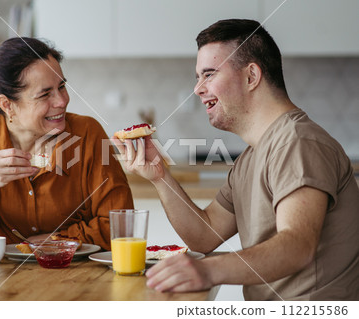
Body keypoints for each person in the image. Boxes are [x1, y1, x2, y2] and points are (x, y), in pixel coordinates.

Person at [111, 19, 359, 300]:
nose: (198, 89)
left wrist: (209, 270)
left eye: (209, 74)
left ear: (251, 76)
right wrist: (160, 176)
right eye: (197, 77)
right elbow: (205, 236)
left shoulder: (298, 142)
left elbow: (297, 246)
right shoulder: (251, 157)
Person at [0, 37, 133, 251]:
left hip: (78, 279)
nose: (61, 101)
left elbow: (120, 228)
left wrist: (54, 240)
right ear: (7, 105)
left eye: (62, 86)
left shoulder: (87, 133)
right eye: (45, 94)